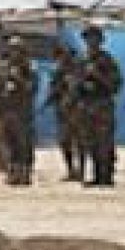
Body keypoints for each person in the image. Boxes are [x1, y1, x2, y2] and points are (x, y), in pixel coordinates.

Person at [71, 24, 123, 188]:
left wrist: (98, 75)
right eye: (87, 38)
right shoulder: (81, 60)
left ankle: (106, 175)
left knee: (104, 142)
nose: (91, 42)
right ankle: (93, 174)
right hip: (85, 104)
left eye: (94, 38)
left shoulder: (107, 60)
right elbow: (73, 83)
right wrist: (80, 82)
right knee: (88, 141)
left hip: (102, 104)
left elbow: (115, 85)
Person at [0, 38, 37, 186]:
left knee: (23, 143)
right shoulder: (4, 67)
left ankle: (24, 173)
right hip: (7, 110)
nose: (14, 53)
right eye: (12, 49)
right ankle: (12, 172)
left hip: (22, 111)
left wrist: (17, 78)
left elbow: (31, 88)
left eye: (17, 49)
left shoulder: (29, 68)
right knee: (9, 141)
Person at [46, 44, 86, 183]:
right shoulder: (57, 72)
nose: (62, 59)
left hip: (76, 110)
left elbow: (79, 88)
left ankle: (81, 170)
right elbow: (53, 90)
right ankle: (71, 170)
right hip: (62, 111)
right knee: (65, 142)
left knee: (79, 141)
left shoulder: (78, 70)